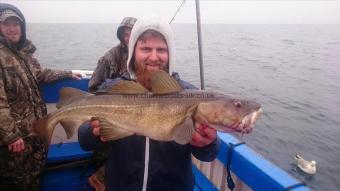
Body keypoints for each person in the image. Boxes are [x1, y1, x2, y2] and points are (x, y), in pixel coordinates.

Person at [78, 17, 221, 191]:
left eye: (161, 49)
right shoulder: (113, 88)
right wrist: (94, 133)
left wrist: (208, 144)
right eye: (145, 48)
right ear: (133, 52)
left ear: (170, 54)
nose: (154, 57)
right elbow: (84, 140)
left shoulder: (189, 94)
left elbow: (208, 155)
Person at [0, 4, 81, 190]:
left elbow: (40, 74)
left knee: (33, 178)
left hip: (33, 135)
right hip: (15, 141)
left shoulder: (23, 55)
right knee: (16, 182)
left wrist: (67, 73)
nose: (12, 28)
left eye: (16, 24)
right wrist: (11, 136)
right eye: (7, 24)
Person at [88, 17, 137, 92]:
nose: (129, 38)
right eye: (126, 34)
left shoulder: (146, 57)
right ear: (121, 36)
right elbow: (93, 88)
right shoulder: (109, 57)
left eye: (133, 34)